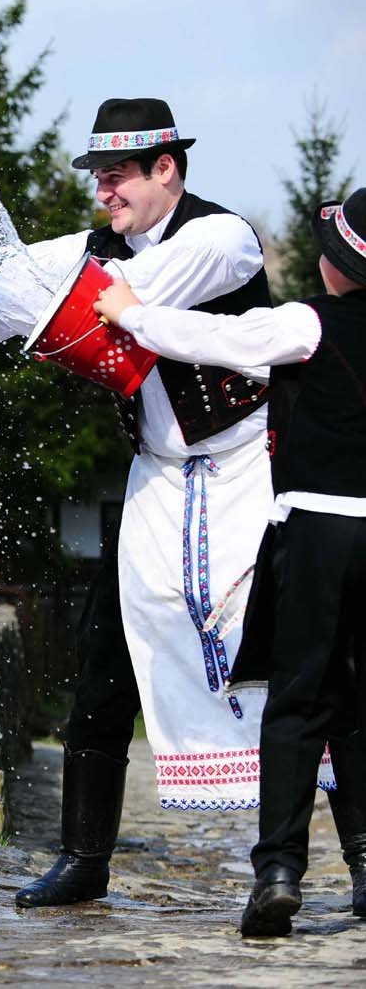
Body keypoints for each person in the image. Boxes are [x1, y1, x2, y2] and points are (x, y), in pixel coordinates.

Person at [0, 98, 351, 907]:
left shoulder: (221, 238)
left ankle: (364, 858)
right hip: (159, 477)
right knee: (106, 651)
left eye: (118, 176)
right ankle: (83, 857)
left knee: (303, 662)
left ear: (166, 168)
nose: (105, 191)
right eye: (98, 177)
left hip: (247, 474)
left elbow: (107, 296)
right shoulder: (93, 245)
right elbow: (15, 281)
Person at [92, 188, 366, 936]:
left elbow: (216, 340)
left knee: (298, 700)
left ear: (334, 263)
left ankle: (278, 871)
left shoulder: (308, 321)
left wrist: (129, 313)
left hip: (320, 529)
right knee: (359, 699)